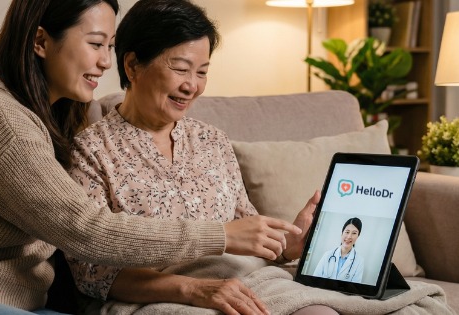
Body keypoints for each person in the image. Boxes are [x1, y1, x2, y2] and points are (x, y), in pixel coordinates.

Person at [0, 1, 300, 314]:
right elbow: (85, 230)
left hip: (14, 303)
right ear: (41, 40)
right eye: (96, 44)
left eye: (109, 45)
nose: (105, 61)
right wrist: (220, 235)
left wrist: (288, 242)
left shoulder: (53, 118)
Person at [65, 1, 333, 314]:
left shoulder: (212, 140)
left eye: (202, 72)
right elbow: (92, 273)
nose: (192, 86)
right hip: (160, 297)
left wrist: (289, 246)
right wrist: (196, 290)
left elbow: (246, 233)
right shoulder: (91, 151)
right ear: (133, 66)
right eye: (180, 69)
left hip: (245, 281)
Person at [312, 218, 365, 283]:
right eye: (347, 232)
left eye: (354, 233)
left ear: (358, 236)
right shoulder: (327, 255)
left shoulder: (359, 261)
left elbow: (355, 287)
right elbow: (314, 280)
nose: (349, 236)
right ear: (342, 233)